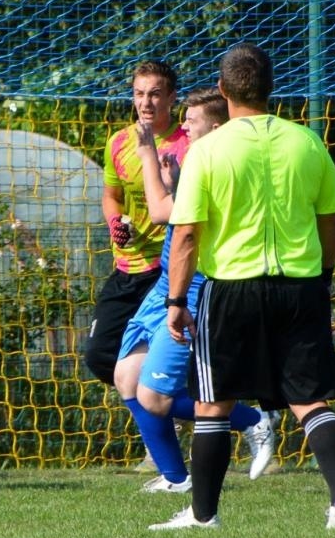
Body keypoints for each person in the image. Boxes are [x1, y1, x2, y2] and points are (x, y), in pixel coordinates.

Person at [153, 42, 335, 530]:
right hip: (300, 287)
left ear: (223, 92)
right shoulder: (306, 142)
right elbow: (332, 216)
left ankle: (204, 515)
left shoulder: (207, 150)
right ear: (271, 88)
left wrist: (177, 301)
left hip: (232, 290)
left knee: (213, 403)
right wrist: (323, 274)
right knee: (309, 398)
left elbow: (185, 233)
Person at [111, 87, 276, 494]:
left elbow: (162, 212)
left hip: (195, 289)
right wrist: (173, 180)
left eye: (192, 120)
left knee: (154, 397)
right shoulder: (199, 161)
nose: (183, 125)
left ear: (215, 127)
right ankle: (176, 478)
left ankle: (252, 421)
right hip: (165, 284)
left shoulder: (217, 164)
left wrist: (148, 152)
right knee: (127, 376)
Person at [84, 61, 187, 391]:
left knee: (161, 366)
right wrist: (116, 222)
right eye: (139, 94)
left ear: (172, 97)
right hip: (128, 267)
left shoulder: (188, 144)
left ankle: (245, 419)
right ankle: (163, 414)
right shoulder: (119, 142)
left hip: (167, 270)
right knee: (101, 358)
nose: (146, 102)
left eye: (155, 94)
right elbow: (111, 196)